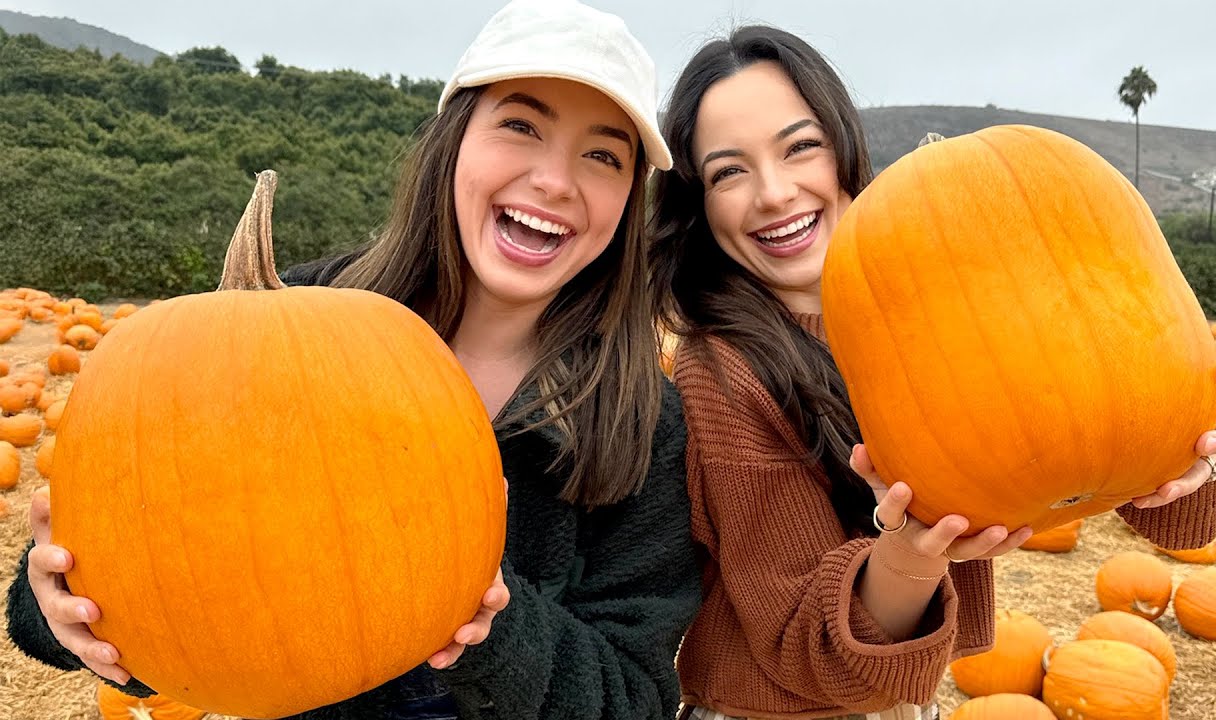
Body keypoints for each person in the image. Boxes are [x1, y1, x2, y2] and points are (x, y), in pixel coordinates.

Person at [5, 2, 701, 719]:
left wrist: (484, 613)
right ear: (454, 142)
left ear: (629, 200)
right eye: (521, 126)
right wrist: (57, 606)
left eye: (603, 156)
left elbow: (634, 700)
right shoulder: (266, 331)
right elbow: (159, 566)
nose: (554, 180)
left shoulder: (644, 424)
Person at [649, 24, 1216, 720]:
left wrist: (1198, 439)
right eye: (729, 171)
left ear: (843, 147)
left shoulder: (946, 302)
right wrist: (910, 558)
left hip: (907, 702)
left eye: (800, 147)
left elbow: (1160, 508)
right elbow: (807, 656)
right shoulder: (722, 370)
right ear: (699, 202)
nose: (774, 192)